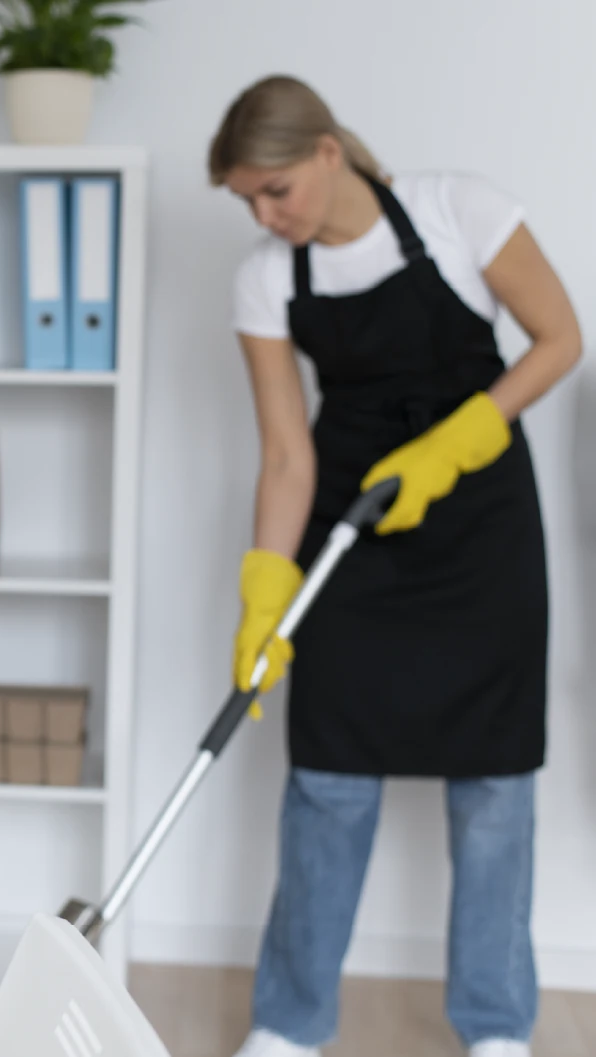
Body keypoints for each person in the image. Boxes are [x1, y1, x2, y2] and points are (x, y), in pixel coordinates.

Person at [210, 75, 582, 1057]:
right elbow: (288, 453)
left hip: (481, 533)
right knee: (327, 780)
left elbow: (560, 339)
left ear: (329, 152)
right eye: (247, 199)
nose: (264, 214)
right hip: (352, 538)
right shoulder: (266, 277)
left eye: (276, 189)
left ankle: (498, 1027)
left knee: (496, 787)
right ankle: (290, 1025)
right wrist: (265, 590)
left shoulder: (462, 211)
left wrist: (460, 439)